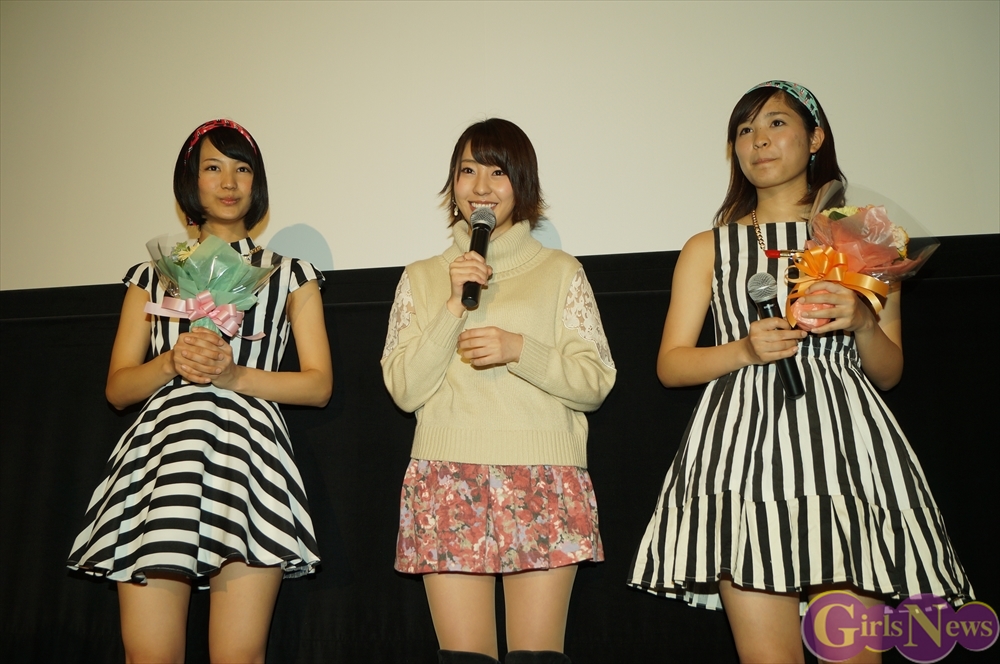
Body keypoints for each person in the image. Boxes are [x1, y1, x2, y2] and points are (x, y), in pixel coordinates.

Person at [627, 82, 973, 663]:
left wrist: (863, 322)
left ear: (815, 139)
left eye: (776, 123)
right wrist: (744, 350)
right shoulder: (709, 247)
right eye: (745, 130)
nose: (759, 140)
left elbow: (889, 372)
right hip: (742, 456)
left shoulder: (865, 236)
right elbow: (671, 365)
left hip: (844, 454)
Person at [67, 119, 333, 663]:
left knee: (239, 655)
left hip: (248, 459)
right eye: (213, 167)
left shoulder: (291, 273)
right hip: (163, 458)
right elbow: (118, 389)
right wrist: (171, 362)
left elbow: (319, 385)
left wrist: (235, 377)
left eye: (242, 169)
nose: (229, 182)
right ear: (191, 181)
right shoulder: (150, 275)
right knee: (149, 654)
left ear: (257, 183)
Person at [381, 118, 616, 664]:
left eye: (497, 171)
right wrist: (451, 306)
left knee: (537, 658)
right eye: (468, 171)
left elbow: (596, 382)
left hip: (543, 476)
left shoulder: (561, 271)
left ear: (522, 183)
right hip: (448, 477)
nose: (481, 186)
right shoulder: (421, 277)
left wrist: (519, 349)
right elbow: (404, 389)